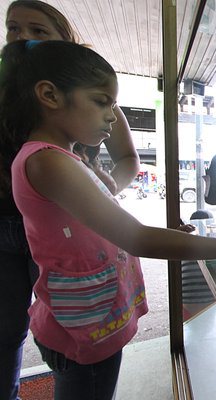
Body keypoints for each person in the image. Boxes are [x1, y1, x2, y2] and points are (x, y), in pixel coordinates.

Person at [0, 39, 216, 400]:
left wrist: (169, 234)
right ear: (50, 95)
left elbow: (100, 229)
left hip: (92, 317)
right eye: (101, 101)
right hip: (80, 328)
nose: (112, 115)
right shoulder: (48, 162)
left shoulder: (66, 158)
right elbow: (135, 237)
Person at [0, 2, 139, 399]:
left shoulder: (88, 105)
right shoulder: (37, 141)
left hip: (62, 229)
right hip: (8, 224)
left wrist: (104, 189)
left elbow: (127, 160)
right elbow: (141, 237)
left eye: (39, 31)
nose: (22, 37)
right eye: (13, 28)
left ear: (67, 45)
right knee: (10, 332)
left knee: (75, 329)